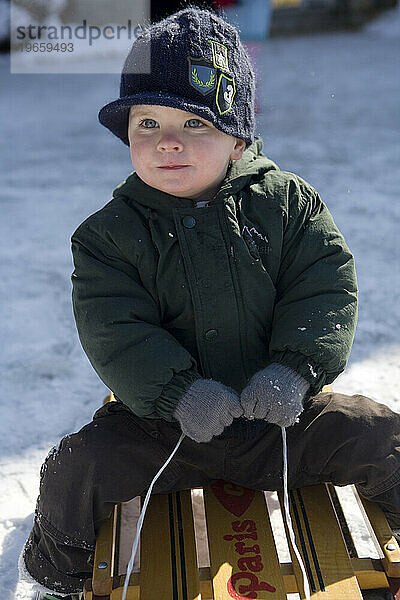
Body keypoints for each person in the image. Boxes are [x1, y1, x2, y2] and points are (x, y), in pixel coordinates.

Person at [19, 7, 400, 600]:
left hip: (280, 418)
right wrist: (176, 393)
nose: (167, 142)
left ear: (238, 135)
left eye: (194, 123)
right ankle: (57, 576)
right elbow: (114, 328)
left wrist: (295, 370)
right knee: (79, 466)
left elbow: (323, 286)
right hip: (163, 428)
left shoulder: (288, 205)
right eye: (147, 123)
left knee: (381, 435)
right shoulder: (108, 235)